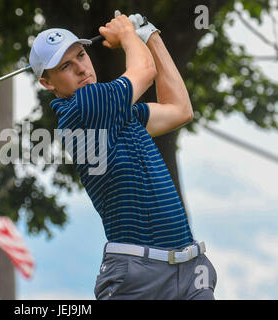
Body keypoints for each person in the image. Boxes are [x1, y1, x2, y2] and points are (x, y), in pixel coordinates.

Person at [29, 14, 217, 299]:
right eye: (66, 66)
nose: (81, 69)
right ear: (48, 83)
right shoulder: (83, 107)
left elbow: (179, 109)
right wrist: (128, 33)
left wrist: (151, 35)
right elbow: (144, 70)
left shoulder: (116, 113)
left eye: (81, 55)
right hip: (138, 276)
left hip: (191, 269)